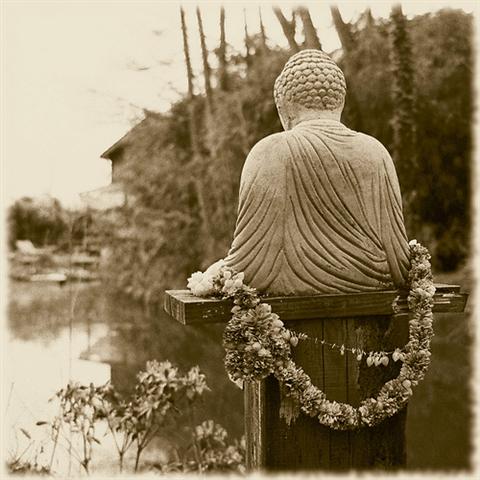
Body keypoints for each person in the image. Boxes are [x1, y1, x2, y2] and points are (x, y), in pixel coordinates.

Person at [225, 49, 410, 295]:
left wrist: (214, 278)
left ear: (284, 106)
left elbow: (248, 267)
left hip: (291, 301)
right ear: (340, 103)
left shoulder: (270, 151)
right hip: (374, 287)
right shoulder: (376, 152)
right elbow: (399, 261)